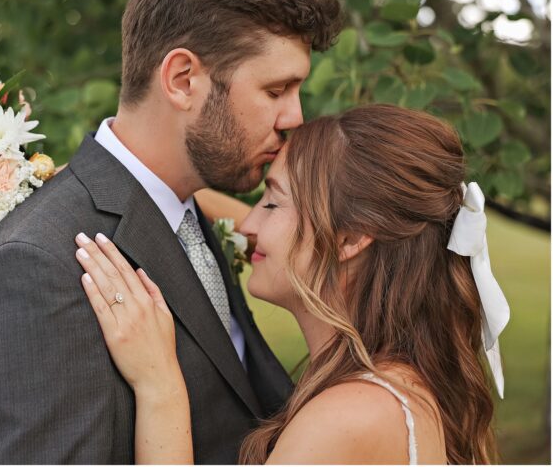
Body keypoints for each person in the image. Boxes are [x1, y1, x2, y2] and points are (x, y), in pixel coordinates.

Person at [0, 0, 344, 464]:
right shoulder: (38, 264)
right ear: (182, 79)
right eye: (276, 90)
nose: (295, 116)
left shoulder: (186, 211)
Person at [77, 105, 510, 465]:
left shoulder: (347, 418)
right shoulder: (396, 387)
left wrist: (160, 387)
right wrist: (106, 189)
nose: (249, 223)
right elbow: (250, 226)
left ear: (350, 239)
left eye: (271, 201)